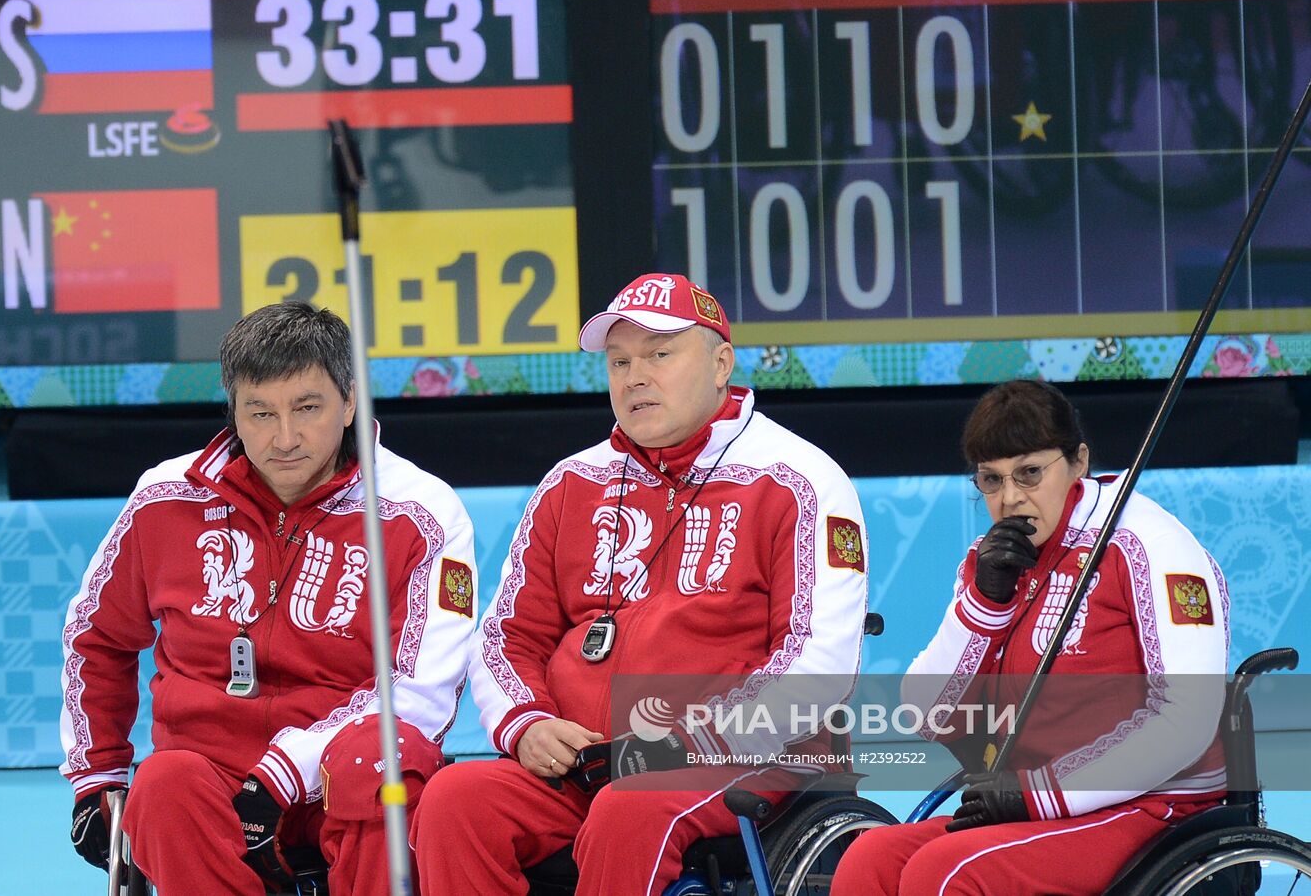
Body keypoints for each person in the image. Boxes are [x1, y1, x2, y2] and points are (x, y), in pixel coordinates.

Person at [410, 273, 872, 894]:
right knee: (455, 799)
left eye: (659, 354)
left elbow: (818, 665)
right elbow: (504, 636)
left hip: (740, 760)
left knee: (631, 807)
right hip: (581, 765)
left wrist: (679, 747)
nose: (634, 376)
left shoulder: (799, 479)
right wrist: (526, 724)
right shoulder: (572, 482)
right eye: (619, 360)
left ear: (720, 364)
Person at [60, 301, 477, 895]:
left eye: (308, 408)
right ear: (233, 411)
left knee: (389, 767)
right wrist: (95, 774)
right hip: (208, 777)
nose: (285, 438)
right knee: (163, 783)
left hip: (340, 779)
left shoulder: (422, 514)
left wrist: (286, 771)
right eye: (260, 413)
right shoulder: (163, 499)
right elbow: (95, 638)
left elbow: (420, 694)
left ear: (351, 400)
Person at [831, 379, 1229, 896]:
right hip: (1029, 801)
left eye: (1030, 473)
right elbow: (925, 712)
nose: (1010, 498)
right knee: (872, 859)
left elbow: (1187, 719)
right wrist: (983, 607)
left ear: (1078, 461)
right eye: (990, 481)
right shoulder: (995, 557)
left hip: (1152, 807)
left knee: (946, 872)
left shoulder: (1149, 545)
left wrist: (1041, 794)